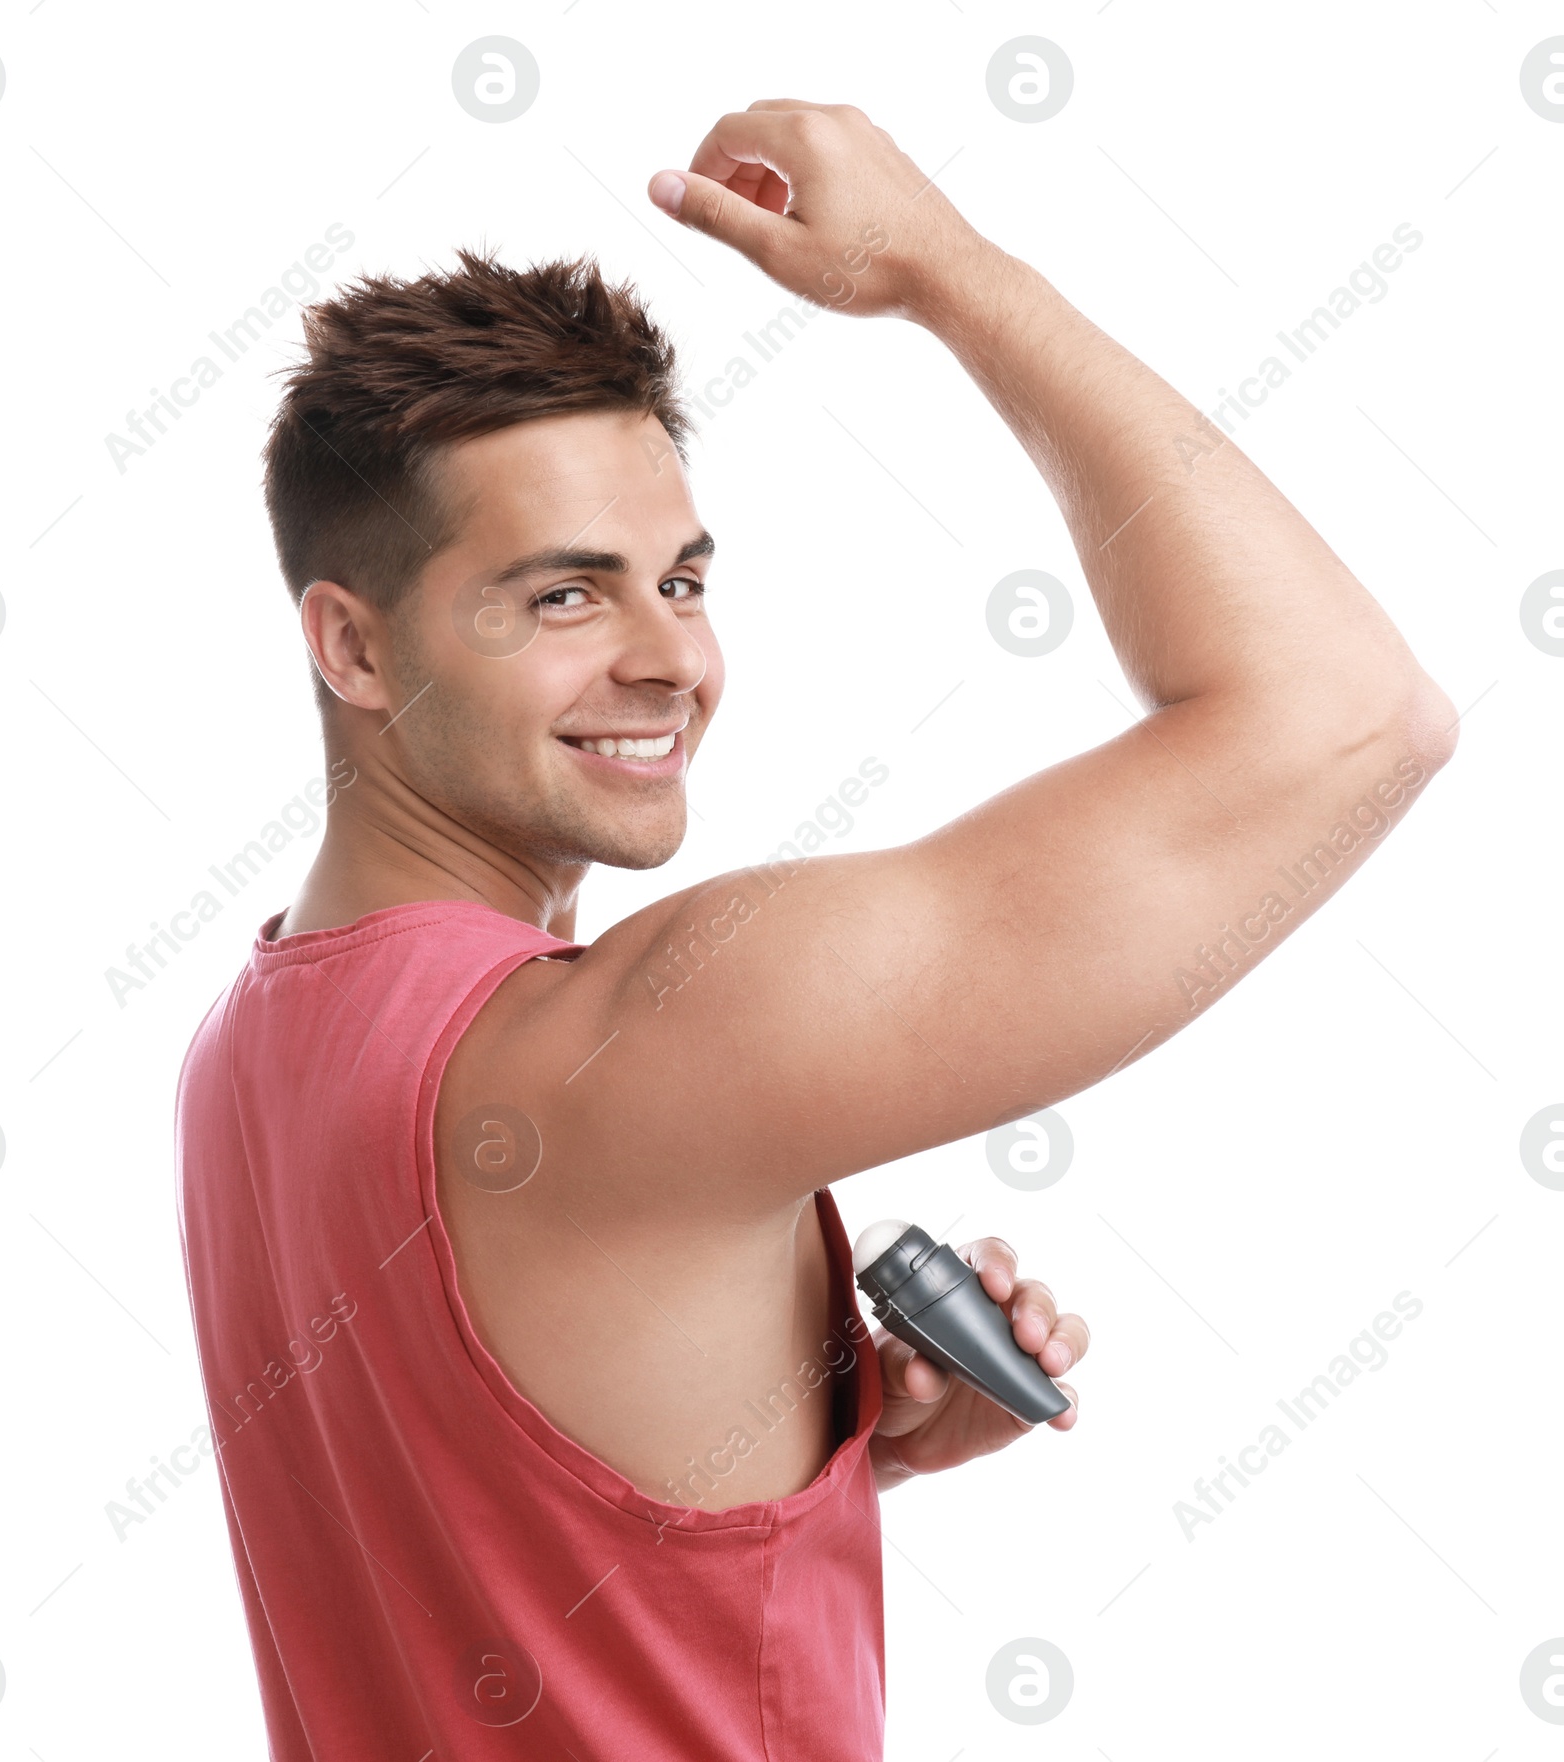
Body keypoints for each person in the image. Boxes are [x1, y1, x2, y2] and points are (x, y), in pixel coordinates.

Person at [176, 100, 1456, 1760]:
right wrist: (950, 274)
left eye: (683, 580)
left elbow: (499, 1539)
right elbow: (1350, 717)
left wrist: (787, 1429)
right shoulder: (643, 1041)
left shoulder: (247, 1044)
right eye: (565, 594)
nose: (669, 661)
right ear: (350, 648)